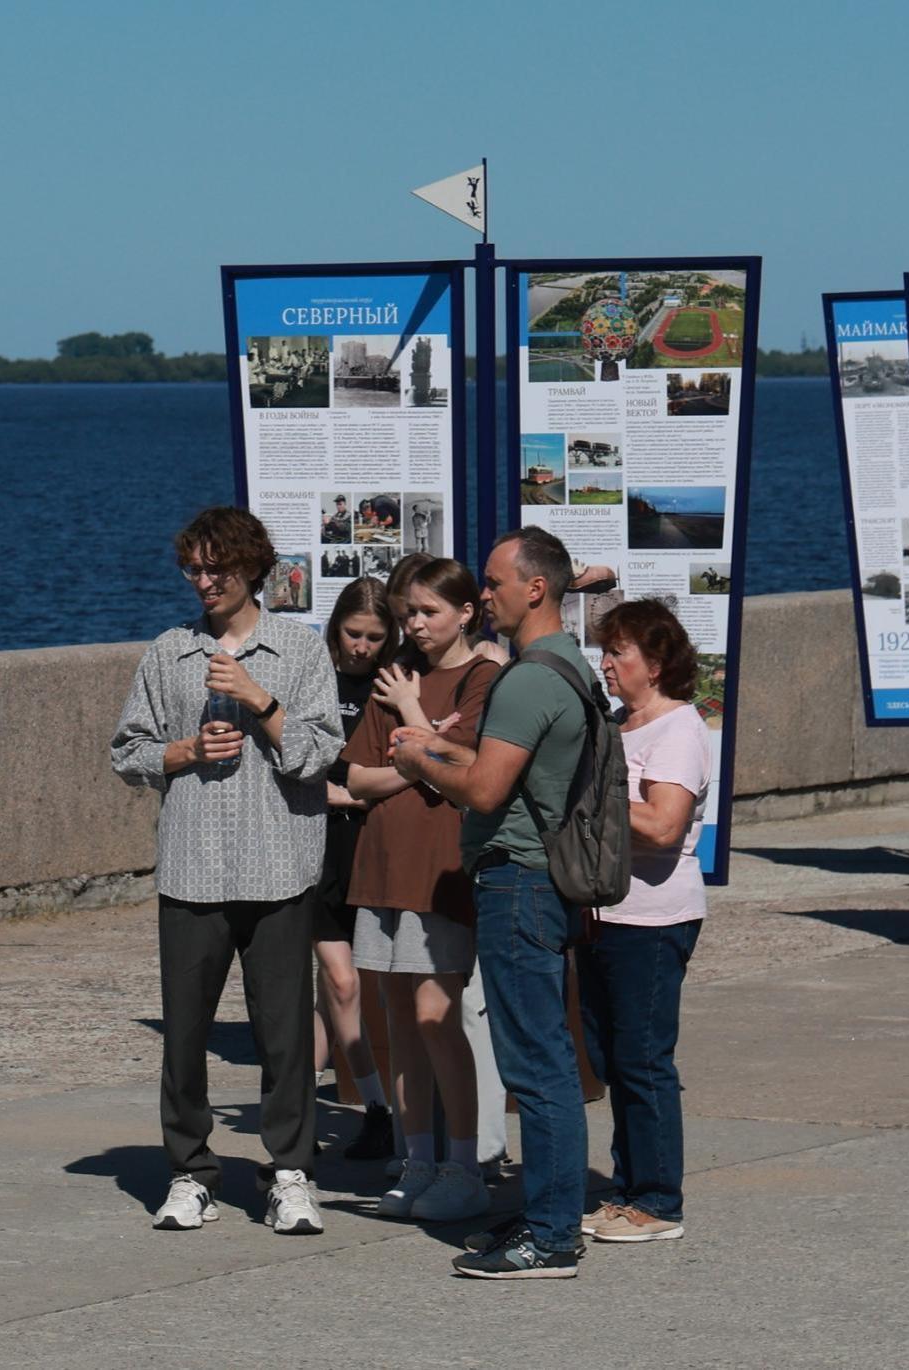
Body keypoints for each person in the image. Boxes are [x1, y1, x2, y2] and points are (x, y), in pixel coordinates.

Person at [110, 507, 341, 1236]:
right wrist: (184, 753)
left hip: (279, 866)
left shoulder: (299, 652)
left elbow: (316, 753)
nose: (204, 582)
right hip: (193, 868)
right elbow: (128, 753)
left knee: (284, 1037)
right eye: (194, 569)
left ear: (252, 571)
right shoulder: (168, 652)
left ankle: (291, 1173)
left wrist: (255, 699)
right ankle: (190, 1172)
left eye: (219, 569)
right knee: (184, 1034)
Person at [391, 526, 598, 1279]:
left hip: (518, 879)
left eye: (494, 582)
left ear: (535, 588)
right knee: (541, 1059)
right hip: (541, 878)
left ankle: (549, 1237)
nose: (484, 594)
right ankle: (548, 1212)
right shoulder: (568, 664)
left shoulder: (527, 679)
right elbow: (504, 765)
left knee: (535, 1065)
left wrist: (417, 758)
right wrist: (441, 744)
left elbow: (484, 791)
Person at [342, 557, 500, 1222]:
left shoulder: (483, 678)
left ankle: (464, 1167)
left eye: (429, 612)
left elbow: (463, 769)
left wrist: (413, 726)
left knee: (439, 1016)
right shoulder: (395, 672)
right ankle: (418, 1161)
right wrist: (418, 755)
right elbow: (357, 775)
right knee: (400, 1023)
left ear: (466, 613)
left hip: (440, 869)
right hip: (382, 863)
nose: (416, 624)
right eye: (410, 613)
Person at [579, 599, 708, 1246]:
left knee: (644, 1059)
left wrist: (596, 794)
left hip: (654, 919)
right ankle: (627, 1192)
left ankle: (658, 1201)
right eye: (604, 652)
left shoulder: (679, 728)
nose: (605, 663)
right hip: (606, 915)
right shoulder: (619, 726)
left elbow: (663, 825)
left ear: (655, 664)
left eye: (618, 653)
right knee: (611, 1057)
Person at [316, 578, 396, 1160]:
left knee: (370, 994)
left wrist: (352, 795)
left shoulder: (393, 688)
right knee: (338, 984)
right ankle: (297, 1115)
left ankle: (382, 1110)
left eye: (374, 637)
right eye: (352, 634)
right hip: (318, 851)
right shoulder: (314, 680)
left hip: (373, 849)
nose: (361, 647)